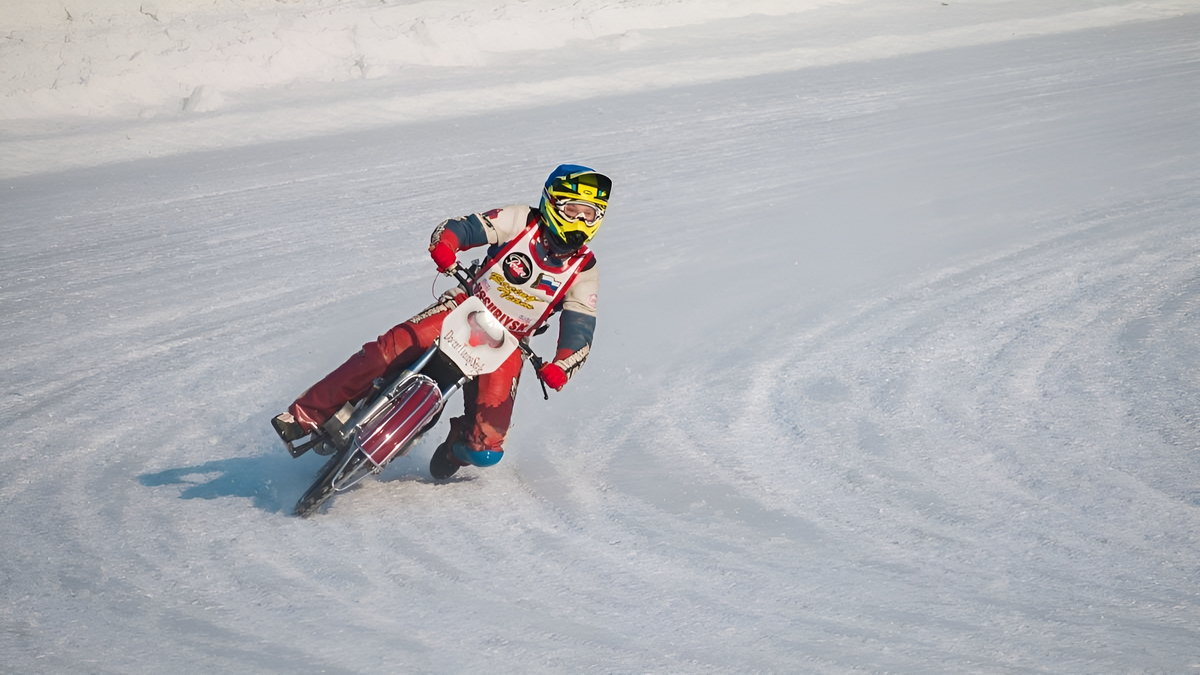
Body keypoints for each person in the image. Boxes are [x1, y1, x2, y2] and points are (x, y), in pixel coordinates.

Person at [271, 164, 609, 479]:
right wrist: (447, 245)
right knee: (388, 350)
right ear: (551, 204)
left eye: (588, 214)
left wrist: (561, 366)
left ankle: (456, 446)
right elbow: (464, 227)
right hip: (467, 304)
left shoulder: (584, 269)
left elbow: (581, 327)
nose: (579, 221)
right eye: (571, 211)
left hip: (510, 342)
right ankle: (306, 415)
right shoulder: (522, 220)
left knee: (487, 450)